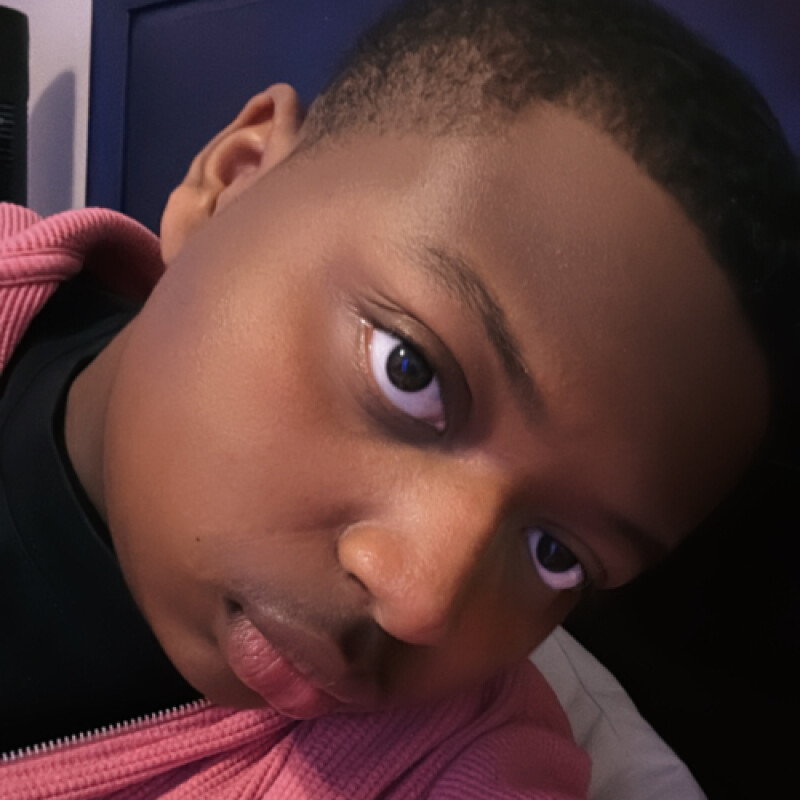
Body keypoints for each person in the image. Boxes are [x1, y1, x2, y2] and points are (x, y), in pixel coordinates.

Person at [1, 0, 797, 797]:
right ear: (235, 181)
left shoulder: (462, 767)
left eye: (555, 554)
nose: (421, 603)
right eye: (409, 370)